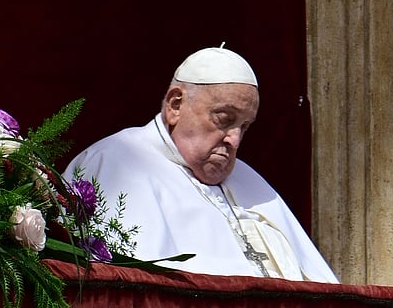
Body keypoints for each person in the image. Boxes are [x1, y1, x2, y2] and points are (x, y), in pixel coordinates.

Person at [63, 45, 339, 283]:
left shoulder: (250, 180)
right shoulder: (114, 161)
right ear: (175, 104)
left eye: (244, 127)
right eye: (224, 119)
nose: (235, 140)